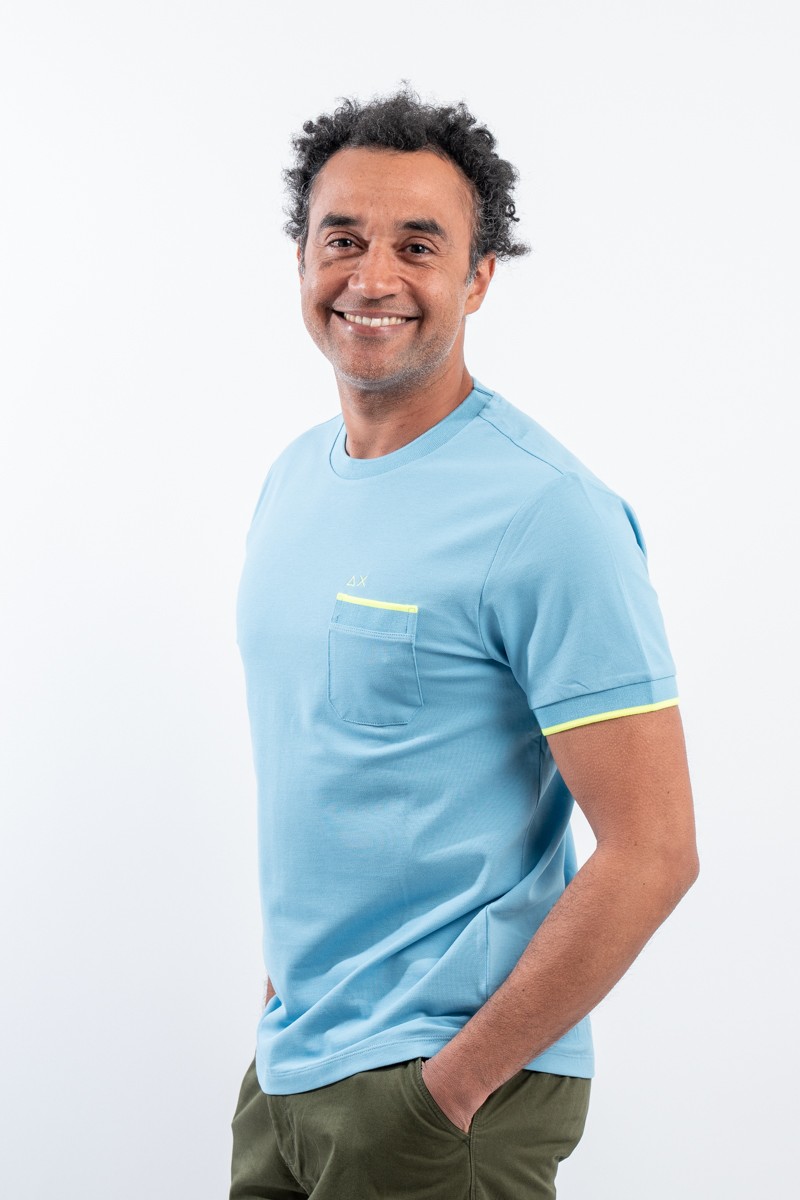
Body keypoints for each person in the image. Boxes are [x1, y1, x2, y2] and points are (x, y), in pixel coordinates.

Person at [229, 86, 699, 1199]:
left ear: (479, 277)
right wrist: (282, 1008)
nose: (371, 276)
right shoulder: (293, 480)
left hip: (437, 1092)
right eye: (342, 238)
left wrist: (452, 1087)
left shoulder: (547, 513)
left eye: (417, 245)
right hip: (292, 1065)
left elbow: (655, 849)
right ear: (301, 258)